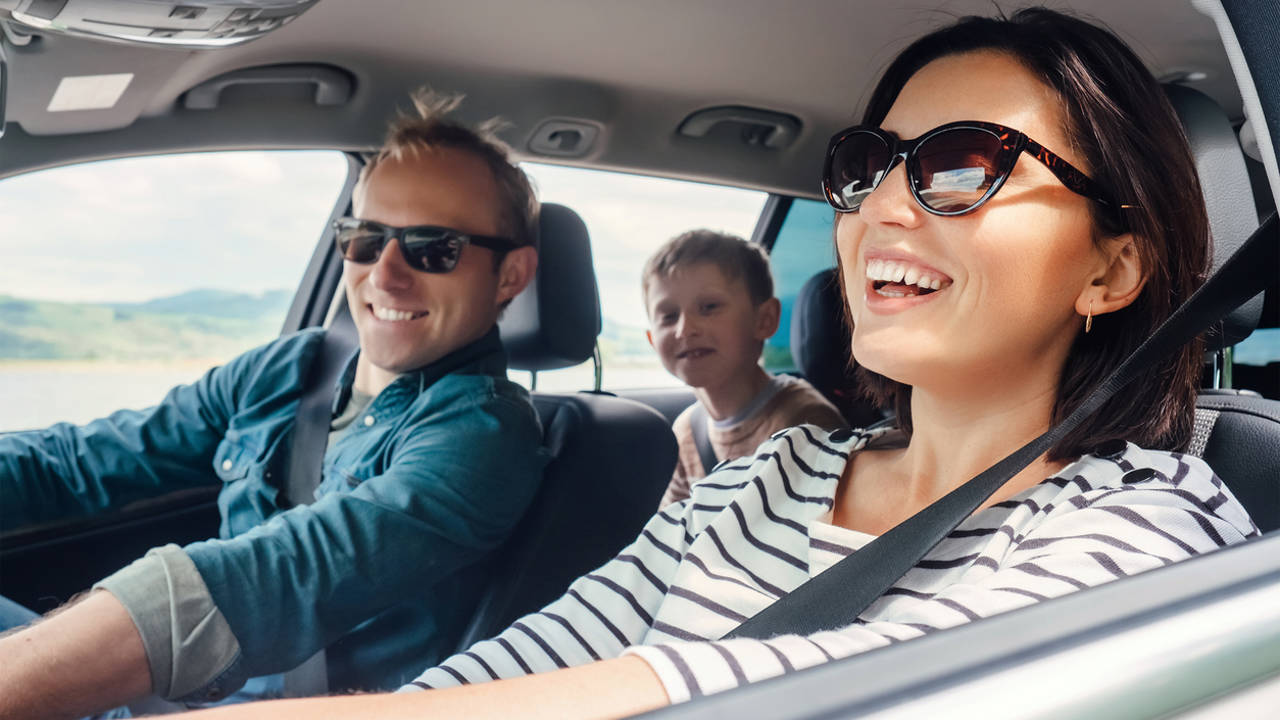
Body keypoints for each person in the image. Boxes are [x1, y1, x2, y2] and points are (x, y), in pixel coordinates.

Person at [167, 8, 1267, 719]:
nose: (881, 204)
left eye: (961, 165)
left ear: (1110, 269)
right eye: (870, 164)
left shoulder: (1153, 522)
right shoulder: (758, 483)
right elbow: (531, 661)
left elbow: (814, 691)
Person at [0, 90, 549, 719]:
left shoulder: (483, 434)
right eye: (366, 239)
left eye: (434, 248)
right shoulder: (290, 369)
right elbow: (78, 462)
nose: (386, 275)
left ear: (510, 276)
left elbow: (281, 577)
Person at [641, 230, 846, 507]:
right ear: (652, 340)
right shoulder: (687, 430)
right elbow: (671, 531)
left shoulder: (805, 423)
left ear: (764, 320)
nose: (685, 329)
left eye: (709, 307)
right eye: (668, 316)